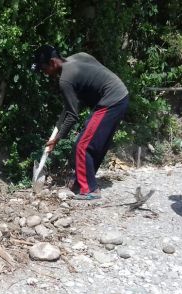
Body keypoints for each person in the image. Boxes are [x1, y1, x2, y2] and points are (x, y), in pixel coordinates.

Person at [31, 45, 129, 199]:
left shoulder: (65, 80)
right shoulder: (78, 57)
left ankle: (89, 189)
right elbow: (94, 72)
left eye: (44, 69)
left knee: (82, 145)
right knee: (94, 144)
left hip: (110, 101)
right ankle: (82, 181)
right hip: (119, 95)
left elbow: (72, 115)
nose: (45, 74)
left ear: (52, 63)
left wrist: (57, 138)